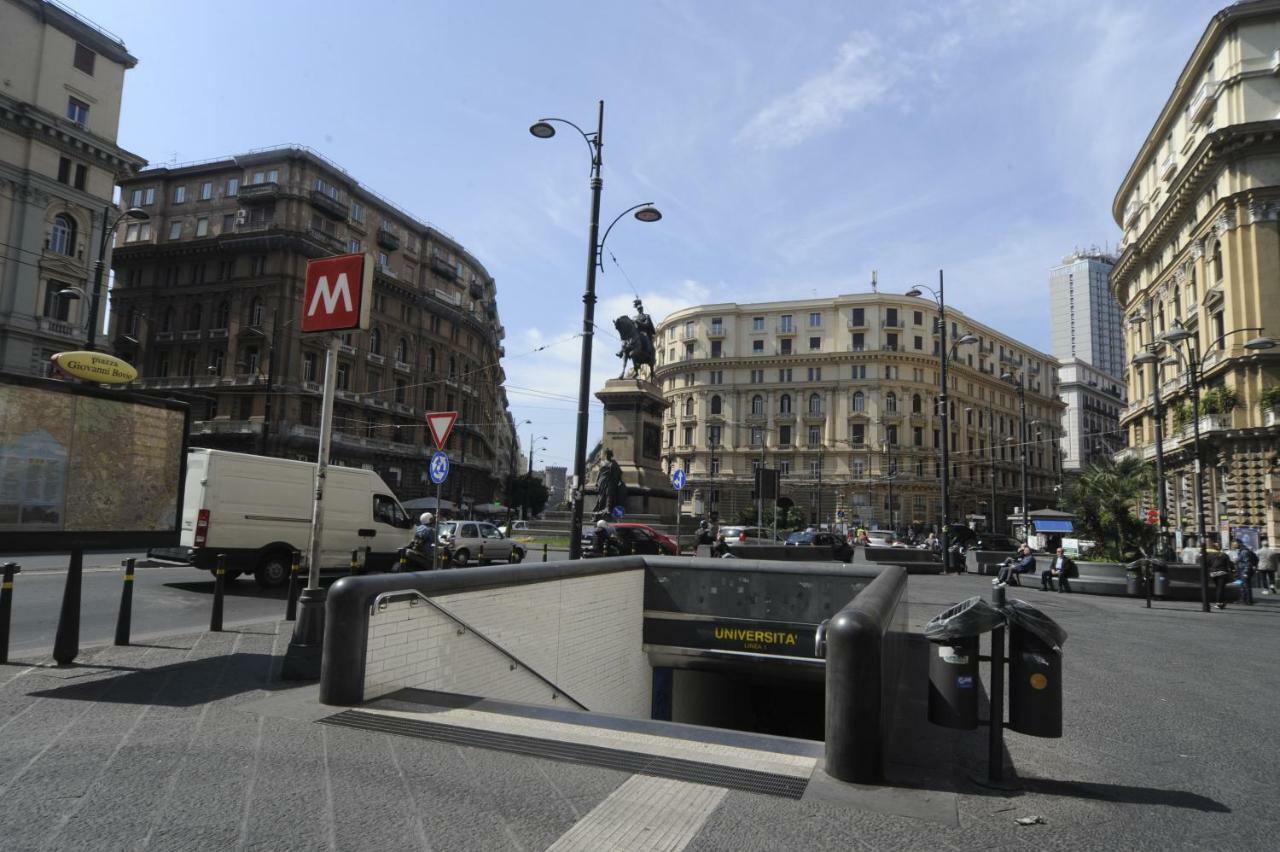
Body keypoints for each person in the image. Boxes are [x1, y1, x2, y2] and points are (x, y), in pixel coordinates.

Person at [1208, 542, 1234, 609]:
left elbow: (1208, 564)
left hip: (1213, 573)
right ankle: (1219, 602)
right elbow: (1229, 565)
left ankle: (1220, 602)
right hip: (1222, 573)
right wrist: (1232, 570)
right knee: (1221, 588)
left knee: (1218, 588)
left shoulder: (1210, 555)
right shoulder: (1224, 555)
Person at [1234, 538, 1258, 605]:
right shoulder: (1241, 551)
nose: (1234, 545)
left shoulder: (1244, 551)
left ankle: (1248, 600)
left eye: (1235, 544)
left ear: (1239, 543)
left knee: (1246, 586)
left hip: (1244, 570)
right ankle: (1244, 599)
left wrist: (1246, 572)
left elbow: (1248, 562)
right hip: (1242, 570)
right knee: (1243, 585)